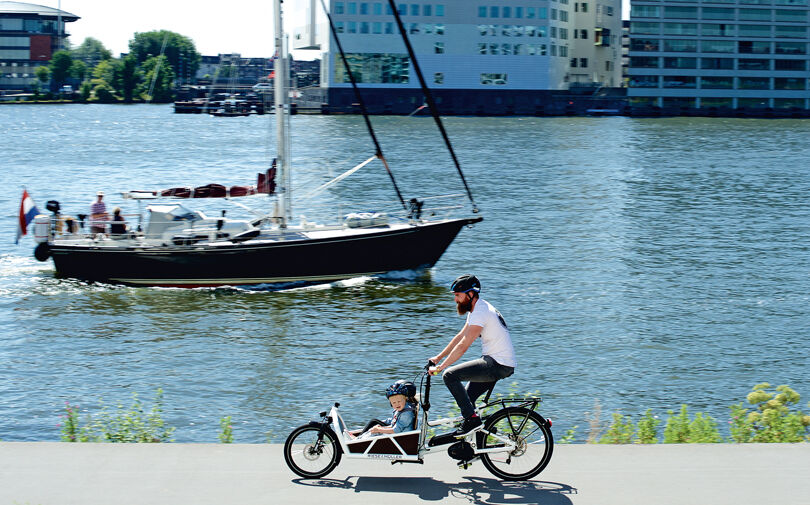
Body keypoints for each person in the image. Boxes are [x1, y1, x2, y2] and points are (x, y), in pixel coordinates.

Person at [428, 274, 516, 436]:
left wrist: (442, 367)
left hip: (497, 364)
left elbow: (463, 346)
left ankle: (473, 422)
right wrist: (438, 357)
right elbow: (459, 337)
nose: (455, 300)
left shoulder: (480, 312)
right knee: (468, 399)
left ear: (471, 294)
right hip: (497, 362)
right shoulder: (477, 309)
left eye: (458, 296)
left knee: (449, 375)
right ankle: (482, 435)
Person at [350, 380, 417, 438]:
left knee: (375, 429)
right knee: (374, 423)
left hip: (400, 438)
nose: (397, 404)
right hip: (397, 435)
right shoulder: (402, 408)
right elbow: (393, 421)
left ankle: (357, 440)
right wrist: (380, 425)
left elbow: (396, 430)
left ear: (405, 399)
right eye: (394, 403)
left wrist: (379, 429)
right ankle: (359, 438)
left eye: (399, 401)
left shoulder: (406, 413)